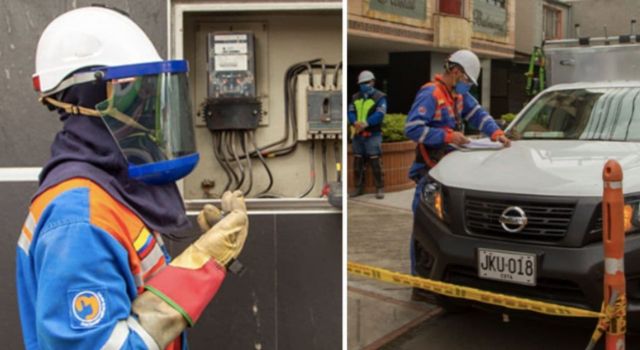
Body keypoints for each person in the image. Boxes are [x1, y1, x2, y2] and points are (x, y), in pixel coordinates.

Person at [16, 7, 249, 349]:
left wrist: (208, 256)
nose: (148, 107)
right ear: (91, 97)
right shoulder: (80, 219)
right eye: (133, 90)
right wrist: (202, 265)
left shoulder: (107, 189)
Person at [403, 49, 511, 300]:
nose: (467, 87)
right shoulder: (431, 94)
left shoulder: (457, 97)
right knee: (424, 229)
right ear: (455, 72)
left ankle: (438, 279)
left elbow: (478, 114)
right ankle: (419, 284)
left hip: (445, 171)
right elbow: (412, 129)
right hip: (428, 172)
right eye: (466, 81)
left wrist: (496, 134)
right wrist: (448, 136)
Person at [348, 70, 387, 199]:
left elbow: (380, 114)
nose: (364, 85)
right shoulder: (355, 97)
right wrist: (355, 122)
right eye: (362, 83)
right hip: (358, 134)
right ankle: (358, 188)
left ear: (372, 82)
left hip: (373, 134)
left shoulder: (380, 97)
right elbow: (351, 112)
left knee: (375, 160)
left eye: (366, 82)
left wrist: (366, 123)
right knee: (358, 160)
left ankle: (380, 188)